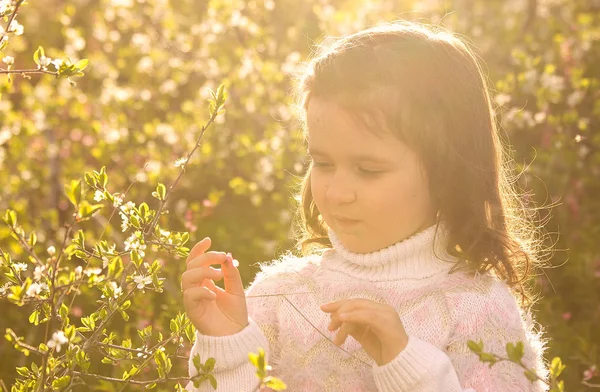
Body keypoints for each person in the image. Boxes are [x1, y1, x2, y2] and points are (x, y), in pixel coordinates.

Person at [181, 20, 551, 391]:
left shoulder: (478, 310)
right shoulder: (282, 295)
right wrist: (227, 346)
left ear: (446, 173)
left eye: (368, 170)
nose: (338, 193)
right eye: (323, 163)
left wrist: (407, 366)